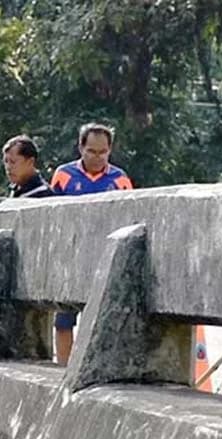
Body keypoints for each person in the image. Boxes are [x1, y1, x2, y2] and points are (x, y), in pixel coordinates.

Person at [47, 123, 134, 366]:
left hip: (105, 257)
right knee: (64, 318)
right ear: (81, 148)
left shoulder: (120, 180)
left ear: (110, 151)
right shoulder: (64, 175)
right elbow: (49, 213)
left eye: (103, 152)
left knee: (101, 318)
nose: (97, 157)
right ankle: (64, 367)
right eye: (92, 151)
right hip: (71, 257)